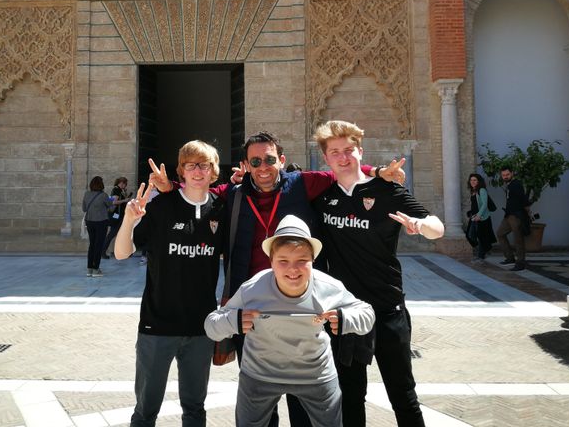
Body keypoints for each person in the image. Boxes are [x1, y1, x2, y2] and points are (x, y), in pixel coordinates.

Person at [148, 131, 405, 427]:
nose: (263, 167)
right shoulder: (233, 194)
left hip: (302, 304)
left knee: (303, 408)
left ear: (281, 160)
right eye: (255, 161)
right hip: (254, 309)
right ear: (245, 165)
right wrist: (170, 189)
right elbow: (198, 192)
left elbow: (339, 170)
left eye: (270, 159)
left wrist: (377, 171)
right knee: (260, 406)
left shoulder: (302, 184)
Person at [311, 120, 444, 427]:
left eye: (348, 150)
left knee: (403, 396)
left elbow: (437, 227)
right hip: (344, 313)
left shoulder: (387, 191)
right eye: (335, 152)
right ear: (326, 158)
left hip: (387, 309)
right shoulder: (321, 194)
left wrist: (421, 226)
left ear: (360, 150)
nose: (343, 158)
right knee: (350, 396)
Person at [205, 215, 375, 427]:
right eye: (283, 261)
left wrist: (345, 318)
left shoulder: (328, 286)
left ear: (313, 260)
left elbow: (367, 314)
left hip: (315, 374)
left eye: (302, 261)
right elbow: (211, 325)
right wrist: (234, 320)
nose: (293, 269)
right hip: (259, 374)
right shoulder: (253, 288)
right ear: (271, 262)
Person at [114, 140, 227, 427]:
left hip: (200, 328)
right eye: (191, 165)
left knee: (195, 408)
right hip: (157, 326)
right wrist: (129, 221)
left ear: (214, 171)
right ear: (182, 171)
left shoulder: (221, 210)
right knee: (146, 410)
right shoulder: (162, 206)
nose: (198, 171)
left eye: (204, 165)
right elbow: (121, 253)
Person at [496, 166, 531, 272]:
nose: (505, 177)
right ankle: (510, 258)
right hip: (508, 215)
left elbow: (524, 199)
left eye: (507, 175)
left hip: (516, 215)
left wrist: (527, 213)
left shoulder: (516, 184)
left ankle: (520, 263)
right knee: (500, 233)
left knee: (518, 239)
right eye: (503, 175)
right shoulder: (509, 185)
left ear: (512, 173)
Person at [82, 176, 115, 277]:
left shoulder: (86, 194)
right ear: (101, 185)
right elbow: (112, 208)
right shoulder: (104, 195)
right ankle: (96, 269)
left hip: (89, 221)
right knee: (98, 245)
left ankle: (89, 269)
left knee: (92, 245)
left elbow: (84, 209)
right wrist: (112, 201)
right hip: (101, 222)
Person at [466, 173, 496, 263]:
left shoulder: (482, 190)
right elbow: (475, 205)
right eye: (471, 180)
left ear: (479, 181)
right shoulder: (473, 190)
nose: (472, 182)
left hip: (482, 217)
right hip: (475, 217)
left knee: (481, 237)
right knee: (470, 235)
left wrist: (479, 215)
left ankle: (481, 256)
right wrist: (471, 213)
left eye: (475, 180)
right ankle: (485, 251)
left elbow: (484, 204)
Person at [103, 177, 132, 259]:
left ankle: (107, 251)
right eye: (125, 184)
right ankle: (103, 251)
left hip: (119, 216)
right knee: (113, 234)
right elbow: (114, 202)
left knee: (116, 234)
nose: (126, 185)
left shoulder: (120, 190)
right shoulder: (116, 190)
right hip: (117, 216)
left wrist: (125, 196)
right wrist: (125, 200)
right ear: (122, 183)